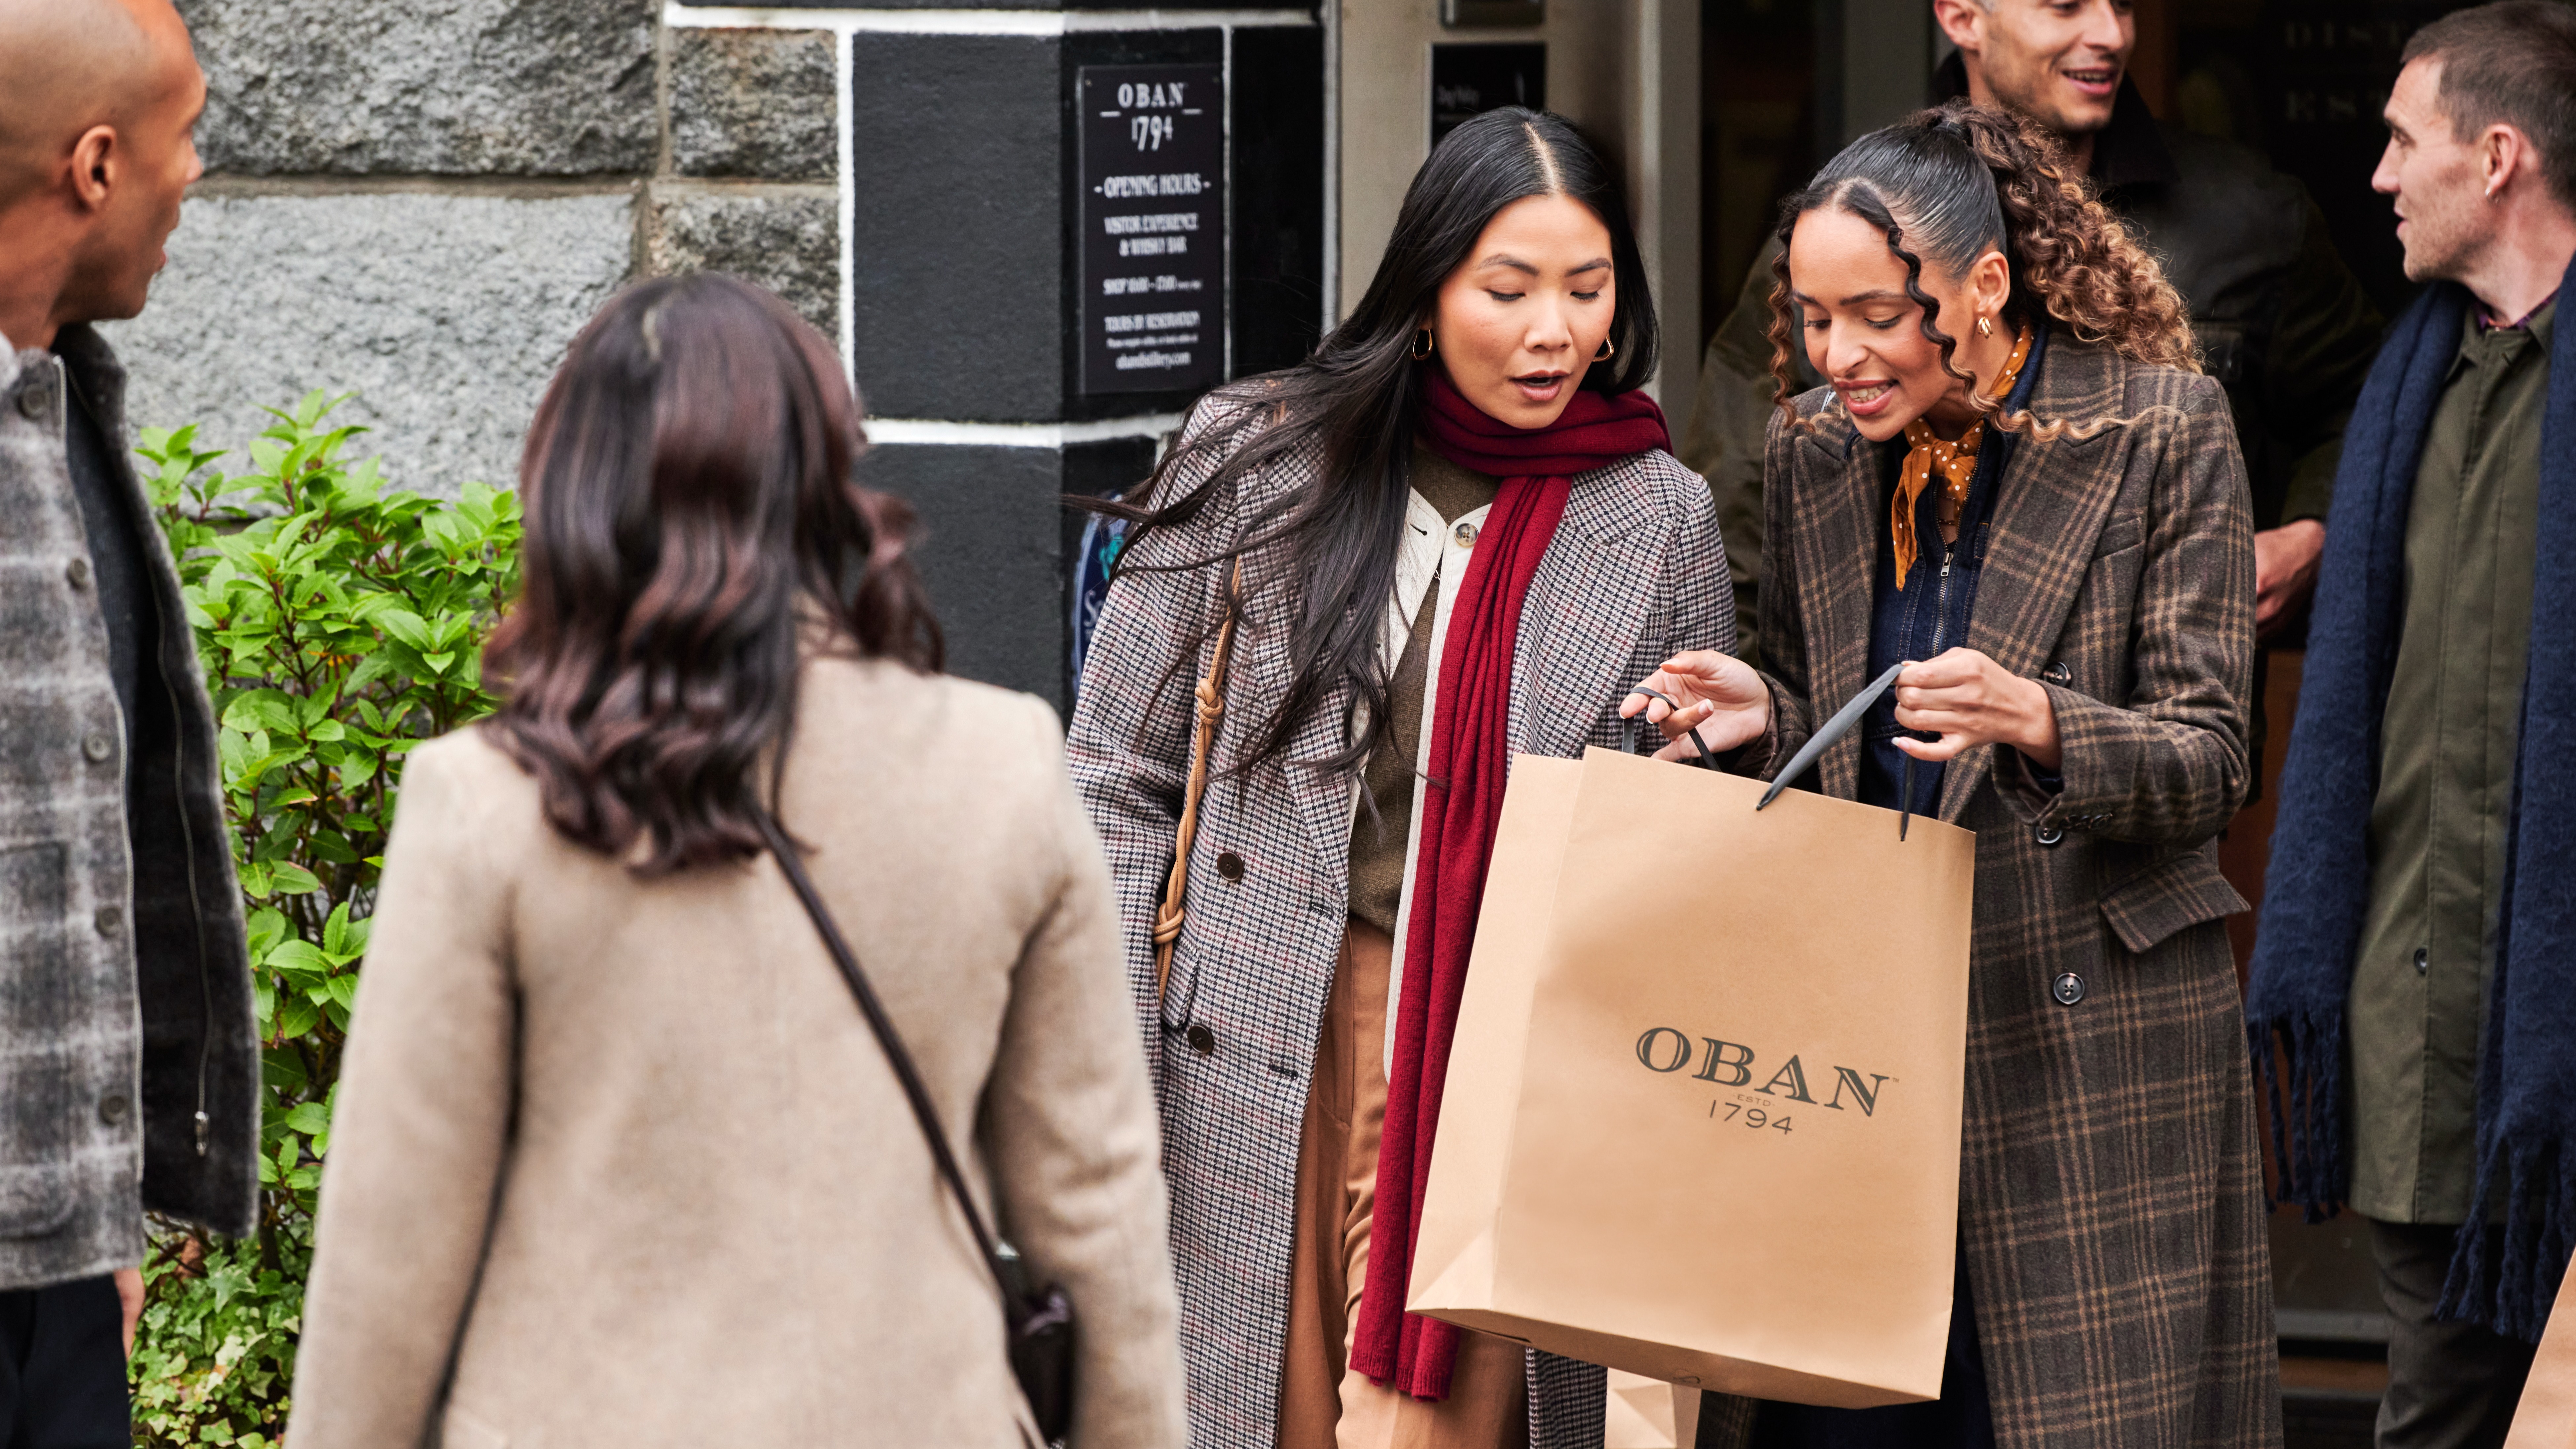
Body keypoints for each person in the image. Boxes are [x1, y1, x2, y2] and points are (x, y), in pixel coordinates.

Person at [283, 275, 1188, 1449]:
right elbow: (1098, 1206)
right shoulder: (1002, 759)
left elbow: (391, 1252)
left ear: (573, 493)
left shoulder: (488, 801)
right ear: (826, 480)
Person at [1067, 108, 1732, 1449]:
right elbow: (1117, 774)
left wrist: (1736, 735)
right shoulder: (1258, 454)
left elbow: (1683, 859)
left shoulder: (1657, 515)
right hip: (1253, 1039)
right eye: (1510, 289)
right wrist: (1121, 1060)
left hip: (1497, 1065)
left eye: (1588, 290)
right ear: (1427, 291)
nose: (1556, 332)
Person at [1628, 101, 2273, 1447]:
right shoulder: (1813, 452)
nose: (1837, 355)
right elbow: (1844, 735)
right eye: (1812, 318)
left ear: (1985, 284)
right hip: (1857, 1051)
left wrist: (2041, 718)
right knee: (1843, 1416)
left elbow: (2212, 758)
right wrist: (1766, 713)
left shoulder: (2165, 430)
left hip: (2085, 1048)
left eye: (1873, 312)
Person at [2246, 6, 2576, 1446]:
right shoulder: (2408, 389)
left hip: (2548, 1037)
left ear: (2498, 156)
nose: (2376, 175)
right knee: (2436, 1407)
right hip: (2425, 1042)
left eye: (2402, 139)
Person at [1683, 0, 2380, 649]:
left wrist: (2314, 537)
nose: (2112, 32)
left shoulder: (2251, 218)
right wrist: (1757, 705)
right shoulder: (1848, 227)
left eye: (2124, 4)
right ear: (1962, 15)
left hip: (2127, 730)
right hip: (1883, 726)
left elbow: (2371, 401)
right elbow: (1745, 484)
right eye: (2066, 4)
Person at [0, 0, 257, 1439]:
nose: (196, 174)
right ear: (94, 165)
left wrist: (96, 1216)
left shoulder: (62, 408)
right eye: (184, 136)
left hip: (59, 1276)